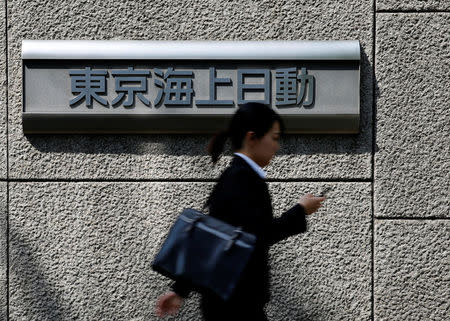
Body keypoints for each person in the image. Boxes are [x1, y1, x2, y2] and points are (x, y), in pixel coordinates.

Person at [156, 103, 325, 321]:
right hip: (236, 304)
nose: (277, 146)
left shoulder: (238, 175)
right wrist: (301, 210)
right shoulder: (243, 179)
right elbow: (258, 235)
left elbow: (213, 236)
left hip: (231, 301)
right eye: (274, 138)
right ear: (252, 137)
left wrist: (180, 290)